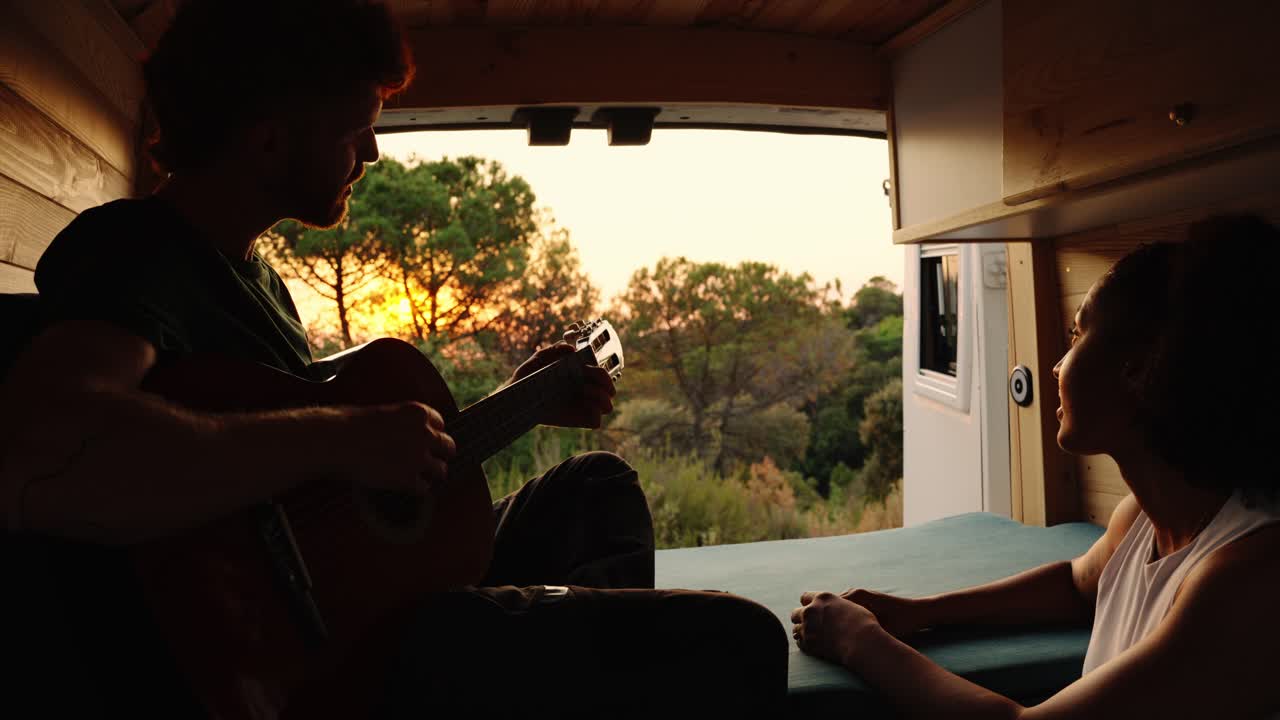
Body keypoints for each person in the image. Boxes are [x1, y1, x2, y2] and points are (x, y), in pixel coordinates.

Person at [0, 1, 784, 717]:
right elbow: (42, 449)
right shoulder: (136, 248)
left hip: (350, 601)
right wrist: (340, 437)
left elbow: (321, 496)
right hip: (274, 658)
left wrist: (520, 401)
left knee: (596, 489)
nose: (372, 152)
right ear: (268, 132)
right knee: (734, 638)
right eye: (355, 129)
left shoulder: (261, 282)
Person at [791, 214, 1280, 719]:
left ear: (1139, 367)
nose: (1056, 365)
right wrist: (918, 613)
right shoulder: (1141, 520)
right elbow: (1075, 585)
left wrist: (860, 641)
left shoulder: (1250, 577)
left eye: (1076, 334)